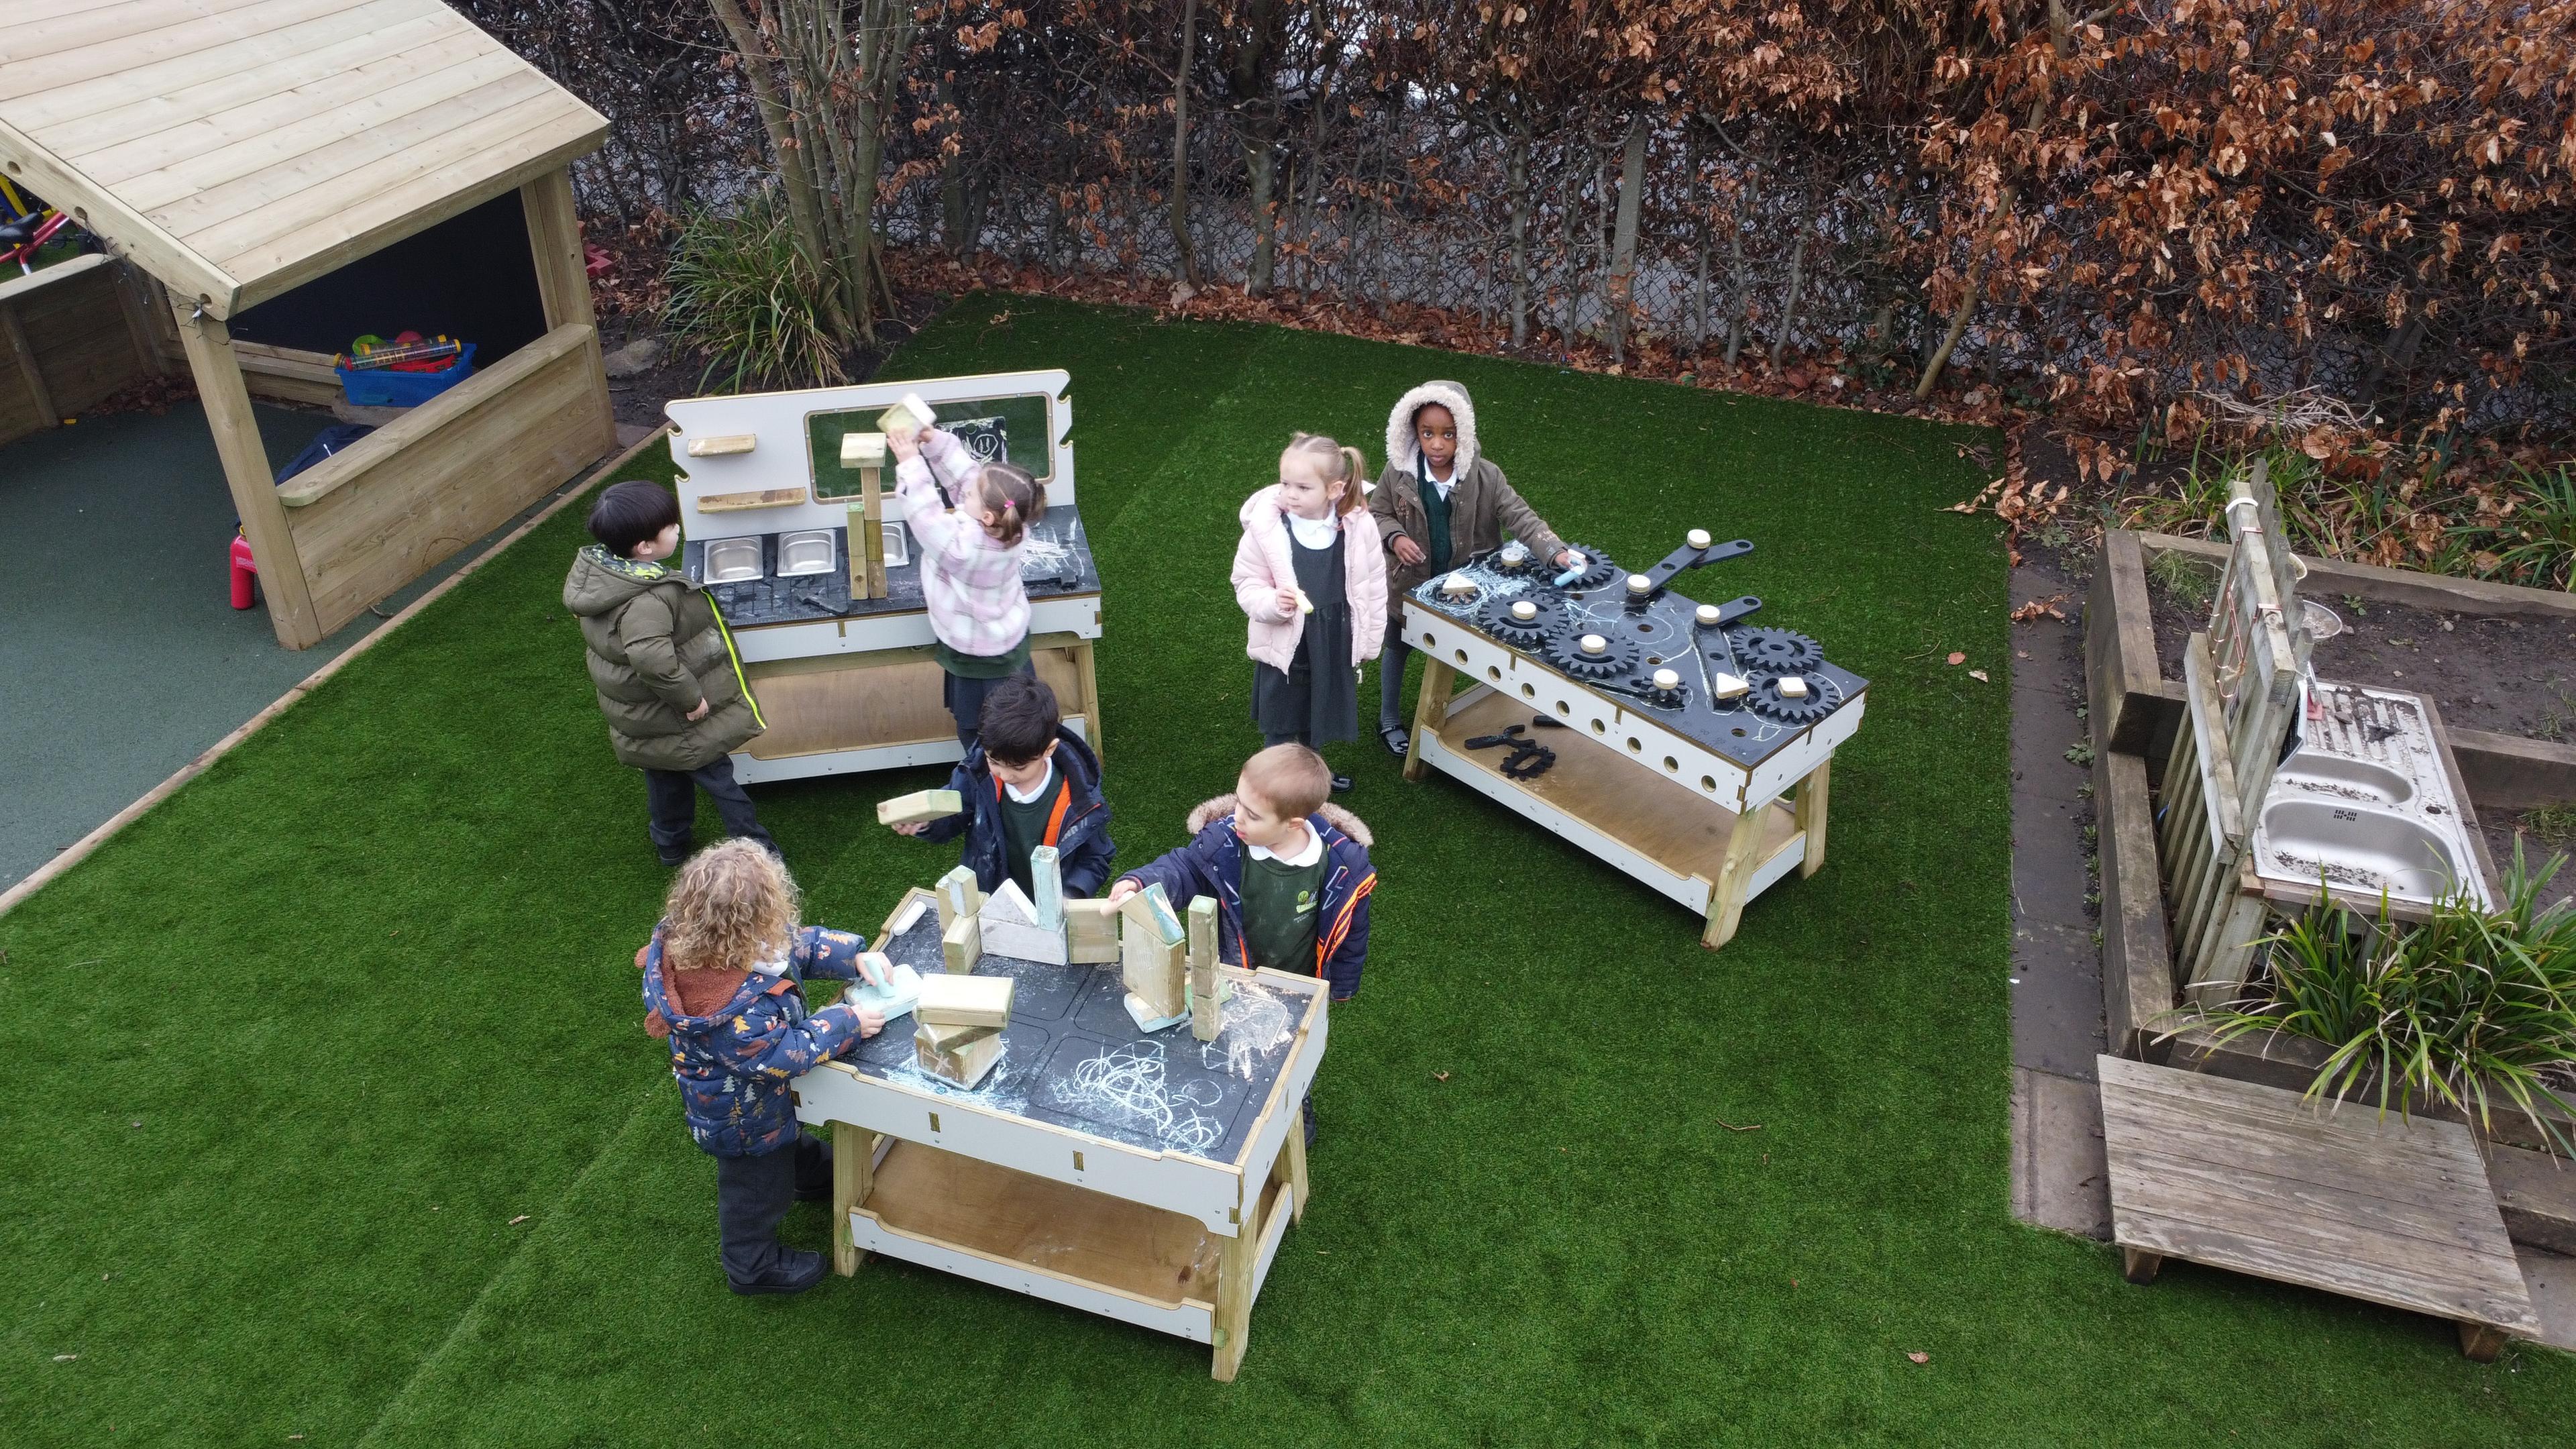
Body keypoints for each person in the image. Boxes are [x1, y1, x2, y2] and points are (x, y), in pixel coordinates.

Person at [637, 841, 888, 1295]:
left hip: (759, 1107)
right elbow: (782, 1055)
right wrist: (846, 1021)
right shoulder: (729, 1012)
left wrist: (849, 955)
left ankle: (811, 1178)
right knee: (756, 1188)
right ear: (747, 927)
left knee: (786, 1145)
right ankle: (750, 1266)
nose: (779, 930)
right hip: (740, 1117)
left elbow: (794, 943)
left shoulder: (734, 943)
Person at [1108, 745, 1375, 1144]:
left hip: (1296, 983)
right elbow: (1181, 869)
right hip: (1232, 971)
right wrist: (1140, 882)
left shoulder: (1343, 868)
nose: (1237, 818)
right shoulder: (1225, 845)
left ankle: (1297, 1103)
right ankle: (1235, 1104)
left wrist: (1342, 985)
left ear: (1293, 823)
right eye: (1239, 803)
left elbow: (1353, 931)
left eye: (1253, 814)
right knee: (1228, 1041)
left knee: (1292, 1054)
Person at [564, 480, 775, 866]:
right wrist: (691, 699)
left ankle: (671, 845)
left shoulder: (606, 580)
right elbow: (652, 661)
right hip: (676, 717)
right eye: (671, 526)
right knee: (719, 779)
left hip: (645, 717)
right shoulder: (646, 601)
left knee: (664, 778)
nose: (678, 529)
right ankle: (758, 851)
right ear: (645, 546)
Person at [1368, 380, 1576, 759]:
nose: (1437, 444)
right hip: (1409, 586)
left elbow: (1520, 516)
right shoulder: (1397, 474)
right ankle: (1388, 720)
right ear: (1413, 431)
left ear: (1463, 433)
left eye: (1448, 434)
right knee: (1397, 648)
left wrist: (1553, 550)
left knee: (1498, 646)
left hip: (1471, 588)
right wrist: (1395, 538)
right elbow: (1377, 511)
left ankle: (1520, 704)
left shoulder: (1486, 476)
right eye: (1427, 433)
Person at [1232, 433, 1387, 795]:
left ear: (1333, 490)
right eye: (1286, 484)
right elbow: (1246, 582)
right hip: (1286, 640)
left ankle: (1310, 781)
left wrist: (1370, 639)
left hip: (1332, 637)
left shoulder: (1358, 524)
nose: (1290, 494)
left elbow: (1374, 583)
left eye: (1303, 487)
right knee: (1283, 718)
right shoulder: (1267, 528)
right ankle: (1275, 789)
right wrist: (1272, 603)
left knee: (1318, 714)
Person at [887, 421, 1046, 746]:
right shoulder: (1011, 528)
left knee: (978, 727)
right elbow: (967, 480)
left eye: (973, 494)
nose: (967, 490)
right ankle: (1015, 751)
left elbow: (925, 516)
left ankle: (983, 770)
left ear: (987, 515)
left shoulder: (963, 549)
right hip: (1007, 643)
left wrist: (911, 464)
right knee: (1016, 716)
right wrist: (936, 444)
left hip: (976, 655)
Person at [887, 674, 1115, 900]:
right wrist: (927, 823)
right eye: (994, 762)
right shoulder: (977, 775)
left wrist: (1071, 894)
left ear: (1049, 749)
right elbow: (953, 818)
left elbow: (1096, 858)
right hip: (991, 901)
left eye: (1019, 767)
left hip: (1052, 908)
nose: (1005, 775)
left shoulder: (1081, 800)